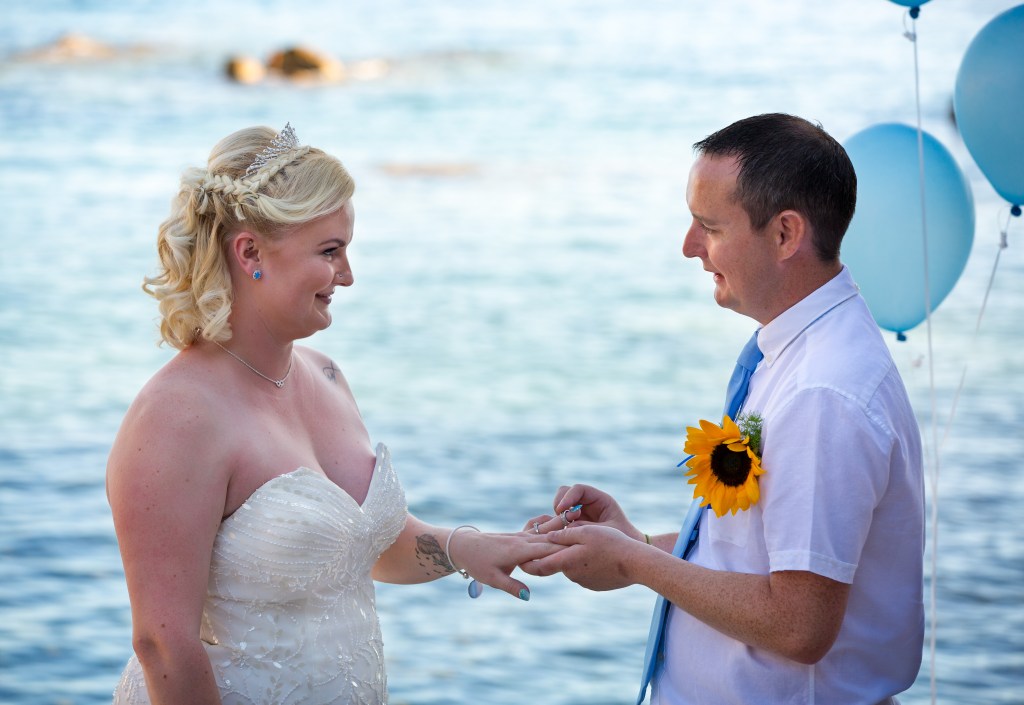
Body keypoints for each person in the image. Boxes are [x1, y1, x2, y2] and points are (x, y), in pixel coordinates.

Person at [107, 123, 556, 705]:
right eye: (329, 252)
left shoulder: (324, 376)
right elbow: (163, 645)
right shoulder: (175, 418)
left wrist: (466, 548)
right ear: (250, 253)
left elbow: (351, 549)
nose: (347, 275)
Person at [521, 113, 925, 705]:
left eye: (708, 227)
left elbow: (799, 625)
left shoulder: (823, 394)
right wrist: (635, 543)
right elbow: (762, 559)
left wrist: (634, 564)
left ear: (786, 235)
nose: (688, 247)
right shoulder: (794, 354)